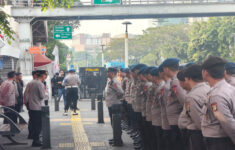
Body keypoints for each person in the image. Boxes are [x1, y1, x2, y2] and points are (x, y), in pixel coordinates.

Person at [201, 56, 235, 150]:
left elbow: (226, 122)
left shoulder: (217, 95)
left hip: (219, 142)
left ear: (205, 72)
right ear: (224, 72)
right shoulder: (229, 89)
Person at [183, 64, 209, 150]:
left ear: (188, 78)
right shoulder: (209, 88)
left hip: (197, 134)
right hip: (209, 132)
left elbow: (197, 120)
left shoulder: (191, 96)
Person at [162, 58, 186, 150]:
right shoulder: (174, 80)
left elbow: (183, 99)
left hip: (177, 119)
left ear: (167, 69)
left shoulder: (176, 81)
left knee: (177, 145)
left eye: (164, 69)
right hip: (174, 119)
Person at [26, 70, 46, 147]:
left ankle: (35, 139)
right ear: (42, 75)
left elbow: (26, 94)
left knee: (34, 124)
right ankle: (36, 141)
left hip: (31, 106)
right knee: (38, 125)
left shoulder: (30, 83)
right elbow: (42, 96)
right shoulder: (40, 84)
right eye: (45, 75)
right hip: (38, 106)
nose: (45, 77)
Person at [105, 67, 124, 147]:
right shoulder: (111, 81)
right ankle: (116, 138)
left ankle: (118, 140)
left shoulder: (114, 82)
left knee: (116, 123)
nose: (107, 74)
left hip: (115, 105)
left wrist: (117, 99)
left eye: (108, 72)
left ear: (112, 73)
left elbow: (120, 92)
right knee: (114, 123)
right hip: (112, 104)